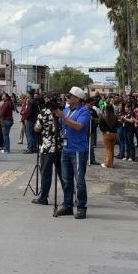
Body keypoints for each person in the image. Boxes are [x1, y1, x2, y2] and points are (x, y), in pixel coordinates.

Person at [57, 86, 91, 219]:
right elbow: (63, 125)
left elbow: (78, 126)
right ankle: (67, 205)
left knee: (79, 180)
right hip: (66, 148)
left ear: (77, 98)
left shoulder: (84, 112)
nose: (68, 98)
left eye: (70, 96)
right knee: (66, 179)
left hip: (78, 150)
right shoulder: (66, 110)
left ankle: (81, 207)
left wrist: (64, 117)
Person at [31, 98, 62, 205]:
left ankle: (43, 197)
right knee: (63, 175)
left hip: (47, 147)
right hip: (60, 147)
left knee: (46, 174)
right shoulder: (61, 113)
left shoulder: (43, 113)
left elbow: (37, 128)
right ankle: (68, 198)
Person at [99, 101, 119, 168]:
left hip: (107, 134)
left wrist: (105, 131)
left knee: (108, 150)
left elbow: (100, 125)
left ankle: (108, 164)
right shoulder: (115, 117)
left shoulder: (103, 117)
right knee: (112, 149)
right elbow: (117, 125)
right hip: (114, 134)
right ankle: (111, 163)